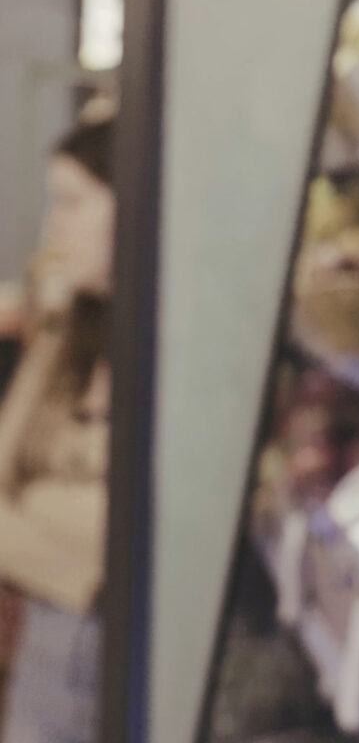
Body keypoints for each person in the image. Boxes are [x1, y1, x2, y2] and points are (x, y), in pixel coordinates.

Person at [0, 116, 115, 743]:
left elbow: (124, 542)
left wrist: (32, 519)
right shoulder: (68, 333)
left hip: (102, 642)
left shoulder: (175, 353)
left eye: (72, 202)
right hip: (54, 634)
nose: (53, 227)